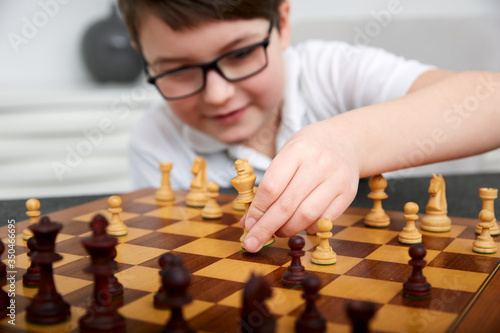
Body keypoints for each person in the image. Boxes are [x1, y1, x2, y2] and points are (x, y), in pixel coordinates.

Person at [118, 0, 500, 252]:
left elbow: (491, 100)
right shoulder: (154, 142)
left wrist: (351, 141)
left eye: (239, 53)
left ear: (282, 23)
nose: (217, 94)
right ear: (144, 60)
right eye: (177, 70)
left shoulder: (330, 72)